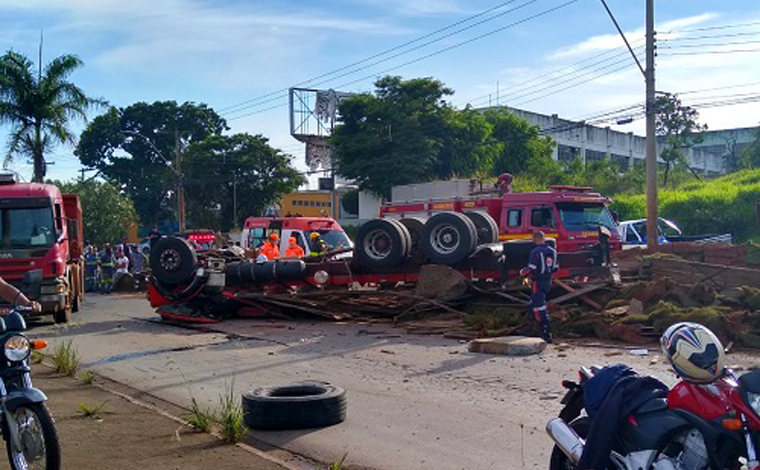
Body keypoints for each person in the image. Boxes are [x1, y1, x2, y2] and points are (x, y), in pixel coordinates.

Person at [520, 231, 558, 343]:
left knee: (539, 307)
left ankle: (546, 334)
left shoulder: (535, 252)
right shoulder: (553, 251)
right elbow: (555, 268)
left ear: (535, 239)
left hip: (538, 282)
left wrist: (522, 272)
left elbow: (531, 269)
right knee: (533, 304)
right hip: (548, 281)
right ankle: (532, 329)